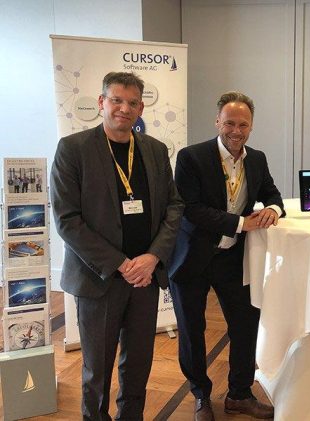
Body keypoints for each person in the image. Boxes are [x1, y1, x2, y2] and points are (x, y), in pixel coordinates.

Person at [50, 71, 184, 420]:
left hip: (145, 278)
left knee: (138, 362)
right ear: (101, 102)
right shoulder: (73, 149)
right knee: (97, 367)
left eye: (132, 102)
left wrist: (153, 257)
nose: (124, 108)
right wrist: (122, 264)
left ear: (141, 108)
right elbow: (67, 220)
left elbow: (174, 207)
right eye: (116, 100)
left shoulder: (155, 150)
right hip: (100, 279)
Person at [169, 91, 283, 421]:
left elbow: (273, 194)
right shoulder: (191, 157)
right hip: (191, 258)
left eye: (243, 124)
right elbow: (190, 209)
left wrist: (273, 210)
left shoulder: (257, 159)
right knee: (192, 330)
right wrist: (242, 223)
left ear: (251, 126)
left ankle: (239, 394)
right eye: (229, 123)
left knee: (246, 325)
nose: (236, 130)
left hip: (233, 258)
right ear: (217, 121)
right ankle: (200, 395)